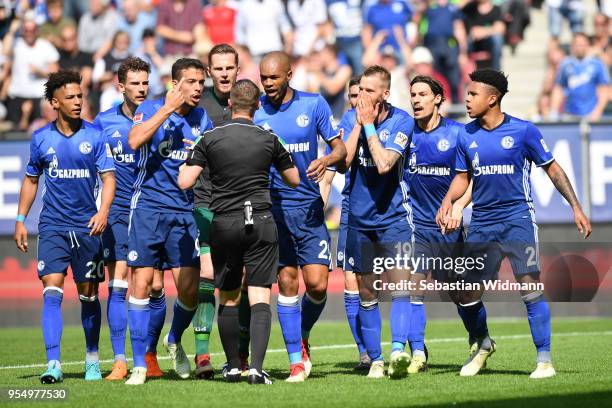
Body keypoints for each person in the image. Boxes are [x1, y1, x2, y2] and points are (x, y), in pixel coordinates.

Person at [437, 68, 592, 379]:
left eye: (473, 94)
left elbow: (553, 169)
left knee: (529, 288)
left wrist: (575, 206)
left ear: (492, 99)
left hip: (517, 219)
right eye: (467, 94)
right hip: (481, 222)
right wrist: (448, 202)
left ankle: (544, 360)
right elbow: (462, 178)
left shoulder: (524, 132)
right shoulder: (465, 135)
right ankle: (483, 344)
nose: (466, 99)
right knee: (466, 291)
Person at [179, 79, 300, 385]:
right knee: (259, 297)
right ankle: (256, 369)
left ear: (230, 103)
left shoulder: (209, 137)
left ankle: (233, 366)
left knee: (229, 297)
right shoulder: (269, 137)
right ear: (258, 105)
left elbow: (185, 181)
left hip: (224, 224)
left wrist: (189, 159)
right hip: (259, 221)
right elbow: (294, 179)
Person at [14, 70, 116, 383]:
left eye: (80, 97)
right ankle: (53, 363)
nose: (77, 102)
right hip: (54, 225)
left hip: (88, 227)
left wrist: (103, 211)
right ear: (55, 102)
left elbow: (109, 178)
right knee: (52, 291)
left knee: (88, 294)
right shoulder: (41, 138)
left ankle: (92, 359)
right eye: (70, 97)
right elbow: (31, 181)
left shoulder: (95, 137)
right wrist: (20, 219)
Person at [254, 51, 347, 382]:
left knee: (319, 285)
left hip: (307, 209)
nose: (268, 84)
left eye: (273, 78)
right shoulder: (256, 110)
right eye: (263, 78)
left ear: (289, 75)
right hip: (273, 210)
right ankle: (296, 356)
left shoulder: (313, 104)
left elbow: (340, 149)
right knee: (287, 282)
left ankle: (303, 332)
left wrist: (327, 162)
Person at [124, 58, 213, 385]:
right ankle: (138, 364)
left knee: (190, 291)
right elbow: (134, 141)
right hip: (148, 207)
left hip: (183, 212)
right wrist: (167, 110)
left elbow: (211, 154)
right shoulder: (149, 109)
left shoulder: (202, 118)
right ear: (175, 84)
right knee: (142, 286)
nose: (198, 88)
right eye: (191, 82)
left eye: (201, 83)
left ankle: (174, 338)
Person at [340, 65, 415, 379]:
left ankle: (398, 350)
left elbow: (384, 164)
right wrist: (359, 125)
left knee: (399, 286)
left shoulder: (402, 121)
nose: (361, 97)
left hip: (394, 218)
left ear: (385, 93)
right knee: (368, 293)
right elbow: (344, 163)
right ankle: (376, 360)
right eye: (359, 91)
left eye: (369, 91)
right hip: (360, 220)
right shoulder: (349, 118)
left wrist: (369, 126)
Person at [92, 57, 155, 381]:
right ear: (121, 87)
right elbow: (93, 165)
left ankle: (150, 354)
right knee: (119, 280)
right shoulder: (103, 123)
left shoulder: (158, 116)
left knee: (153, 285)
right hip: (117, 209)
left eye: (145, 82)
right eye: (135, 83)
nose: (141, 89)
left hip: (149, 207)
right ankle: (120, 359)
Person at [405, 75, 471, 374]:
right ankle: (418, 351)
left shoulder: (458, 134)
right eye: (412, 95)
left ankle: (479, 337)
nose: (416, 100)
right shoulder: (405, 135)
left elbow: (474, 178)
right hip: (416, 225)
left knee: (458, 291)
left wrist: (458, 206)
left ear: (438, 99)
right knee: (413, 289)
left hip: (448, 226)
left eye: (422, 94)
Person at [190, 43, 240, 380]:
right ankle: (202, 354)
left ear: (238, 69)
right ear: (209, 72)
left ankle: (241, 354)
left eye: (229, 67)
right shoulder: (198, 107)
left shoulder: (251, 104)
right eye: (218, 68)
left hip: (242, 206)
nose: (224, 73)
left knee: (244, 283)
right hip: (206, 204)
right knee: (207, 279)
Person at [320, 75, 371, 370]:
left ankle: (413, 344)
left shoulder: (392, 121)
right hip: (352, 210)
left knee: (393, 280)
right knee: (351, 279)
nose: (356, 100)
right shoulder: (343, 128)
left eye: (361, 93)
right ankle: (364, 352)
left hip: (387, 211)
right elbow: (328, 174)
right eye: (352, 95)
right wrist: (318, 210)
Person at [550, 32, 610, 122]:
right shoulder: (566, 64)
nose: (580, 48)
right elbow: (559, 88)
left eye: (582, 45)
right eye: (577, 45)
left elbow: (605, 89)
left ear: (588, 45)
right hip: (570, 115)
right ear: (572, 46)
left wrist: (598, 111)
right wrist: (554, 110)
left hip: (590, 115)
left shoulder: (596, 64)